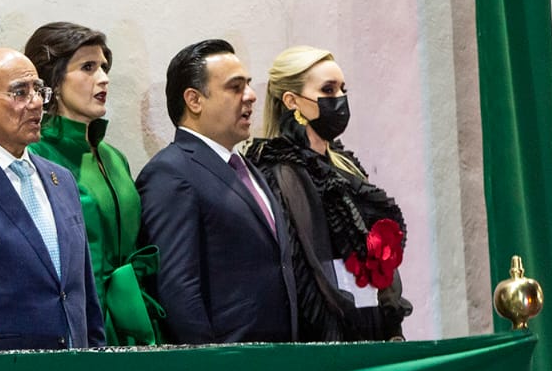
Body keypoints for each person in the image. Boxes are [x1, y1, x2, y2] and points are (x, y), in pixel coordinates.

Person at [244, 46, 411, 341]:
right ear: (292, 101)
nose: (340, 100)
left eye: (342, 89)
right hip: (327, 334)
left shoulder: (345, 164)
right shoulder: (278, 170)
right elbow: (301, 264)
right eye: (328, 90)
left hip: (371, 320)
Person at [136, 39, 297, 344]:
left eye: (248, 85)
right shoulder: (170, 173)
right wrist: (213, 366)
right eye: (235, 87)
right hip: (230, 369)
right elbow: (177, 288)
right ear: (194, 100)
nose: (250, 96)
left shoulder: (246, 167)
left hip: (277, 360)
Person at [0, 48, 106, 351]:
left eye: (38, 90)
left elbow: (82, 292)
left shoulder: (60, 179)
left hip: (75, 366)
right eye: (20, 93)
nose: (36, 103)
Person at [24, 21, 161, 346]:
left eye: (103, 67)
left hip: (134, 317)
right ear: (53, 81)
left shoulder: (114, 157)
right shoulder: (35, 158)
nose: (103, 78)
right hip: (78, 325)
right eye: (88, 67)